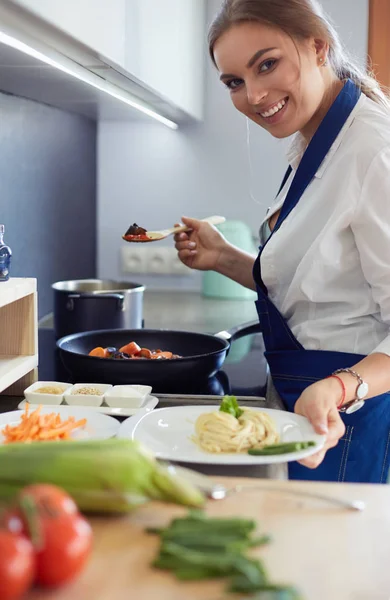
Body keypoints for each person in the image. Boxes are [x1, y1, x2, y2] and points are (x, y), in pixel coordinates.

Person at [174, 0, 390, 484]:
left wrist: (338, 388)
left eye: (267, 64)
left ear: (318, 46)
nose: (253, 95)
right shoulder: (317, 141)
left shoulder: (373, 152)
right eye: (234, 82)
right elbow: (320, 282)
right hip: (313, 398)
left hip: (346, 412)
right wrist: (223, 257)